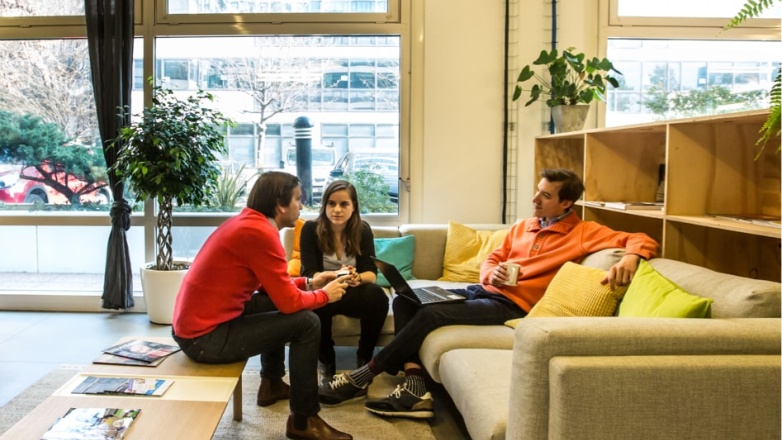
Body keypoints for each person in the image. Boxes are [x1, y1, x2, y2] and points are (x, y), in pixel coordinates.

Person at [318, 168, 659, 419]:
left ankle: (362, 376)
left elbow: (641, 238)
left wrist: (631, 255)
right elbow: (495, 257)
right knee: (407, 298)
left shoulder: (583, 232)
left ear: (566, 202)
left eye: (545, 196)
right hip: (485, 290)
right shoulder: (523, 226)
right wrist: (490, 271)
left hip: (513, 305)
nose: (534, 200)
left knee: (431, 314)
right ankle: (415, 388)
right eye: (537, 191)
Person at [171, 171, 353, 440]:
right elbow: (290, 303)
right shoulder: (260, 234)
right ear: (280, 205)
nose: (301, 206)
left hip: (199, 325)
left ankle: (271, 383)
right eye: (298, 199)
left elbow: (271, 286)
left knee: (270, 302)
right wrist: (325, 295)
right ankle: (303, 421)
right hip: (204, 338)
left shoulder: (249, 224)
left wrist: (310, 282)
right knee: (307, 322)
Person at [299, 180, 390, 386]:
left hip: (351, 291)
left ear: (354, 206)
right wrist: (335, 275)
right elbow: (309, 273)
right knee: (317, 304)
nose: (337, 210)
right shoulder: (311, 229)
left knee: (377, 296)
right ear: (324, 206)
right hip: (325, 290)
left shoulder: (362, 230)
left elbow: (371, 273)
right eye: (331, 204)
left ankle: (364, 361)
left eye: (344, 204)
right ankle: (326, 363)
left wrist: (358, 278)